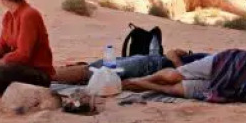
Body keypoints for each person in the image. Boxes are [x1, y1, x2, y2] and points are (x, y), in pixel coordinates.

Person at [53, 49, 210, 85]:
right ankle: (43, 74)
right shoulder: (210, 59)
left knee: (94, 71)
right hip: (151, 63)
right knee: (95, 69)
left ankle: (42, 75)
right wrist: (181, 69)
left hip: (149, 66)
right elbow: (171, 53)